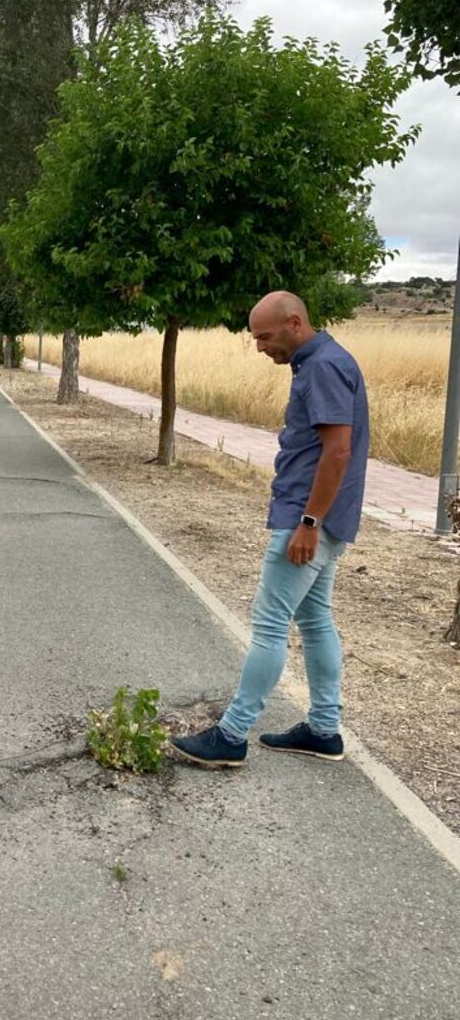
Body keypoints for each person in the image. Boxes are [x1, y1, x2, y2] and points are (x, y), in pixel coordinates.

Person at [172, 290, 369, 768]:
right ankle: (324, 729)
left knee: (269, 623)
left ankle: (232, 735)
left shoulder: (322, 366)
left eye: (264, 337)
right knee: (315, 619)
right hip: (323, 517)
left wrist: (308, 522)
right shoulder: (322, 360)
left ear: (295, 323)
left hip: (308, 520)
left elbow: (337, 450)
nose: (259, 347)